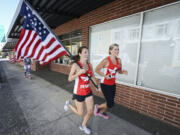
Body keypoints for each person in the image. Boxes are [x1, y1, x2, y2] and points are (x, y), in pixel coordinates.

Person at [64, 46, 99, 135]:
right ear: (80, 54)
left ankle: (83, 126)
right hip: (78, 92)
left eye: (87, 52)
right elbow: (69, 78)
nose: (87, 54)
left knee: (90, 111)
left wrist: (97, 86)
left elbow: (93, 76)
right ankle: (68, 105)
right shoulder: (75, 65)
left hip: (88, 91)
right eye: (85, 52)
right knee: (80, 113)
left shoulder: (89, 65)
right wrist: (78, 73)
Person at [94, 43, 128, 119]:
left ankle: (101, 112)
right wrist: (106, 76)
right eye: (115, 49)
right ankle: (97, 107)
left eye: (118, 49)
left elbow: (118, 71)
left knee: (109, 101)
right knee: (110, 103)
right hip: (105, 84)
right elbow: (96, 69)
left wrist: (123, 72)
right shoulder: (106, 60)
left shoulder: (119, 60)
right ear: (110, 51)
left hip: (113, 84)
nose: (117, 51)